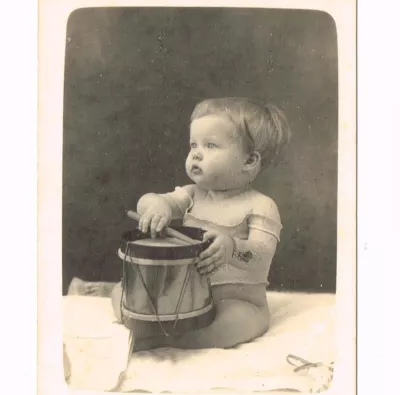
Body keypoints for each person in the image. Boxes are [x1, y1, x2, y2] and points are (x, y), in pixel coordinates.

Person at [70, 97, 290, 351]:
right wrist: (158, 207)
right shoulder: (192, 194)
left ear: (249, 161)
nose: (196, 153)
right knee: (125, 293)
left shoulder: (260, 206)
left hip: (236, 299)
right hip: (184, 294)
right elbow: (146, 202)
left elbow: (261, 255)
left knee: (234, 324)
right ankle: (118, 298)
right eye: (193, 144)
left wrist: (231, 247)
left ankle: (164, 341)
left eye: (210, 145)